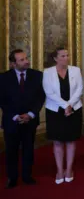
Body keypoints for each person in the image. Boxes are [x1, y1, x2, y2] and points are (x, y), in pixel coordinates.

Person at [0, 49, 45, 189]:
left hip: (30, 120)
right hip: (11, 120)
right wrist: (14, 115)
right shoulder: (3, 78)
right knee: (11, 150)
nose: (26, 61)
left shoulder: (37, 76)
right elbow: (2, 100)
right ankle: (12, 177)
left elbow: (40, 97)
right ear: (13, 64)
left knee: (28, 149)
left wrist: (31, 114)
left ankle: (27, 176)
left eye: (26, 58)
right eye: (21, 60)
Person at [43, 47, 83, 184]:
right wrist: (65, 105)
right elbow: (49, 92)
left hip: (74, 109)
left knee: (71, 140)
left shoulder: (76, 70)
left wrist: (70, 105)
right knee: (58, 141)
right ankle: (60, 170)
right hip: (55, 110)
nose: (66, 58)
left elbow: (79, 89)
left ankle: (69, 169)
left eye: (67, 55)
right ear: (55, 58)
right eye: (63, 56)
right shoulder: (47, 72)